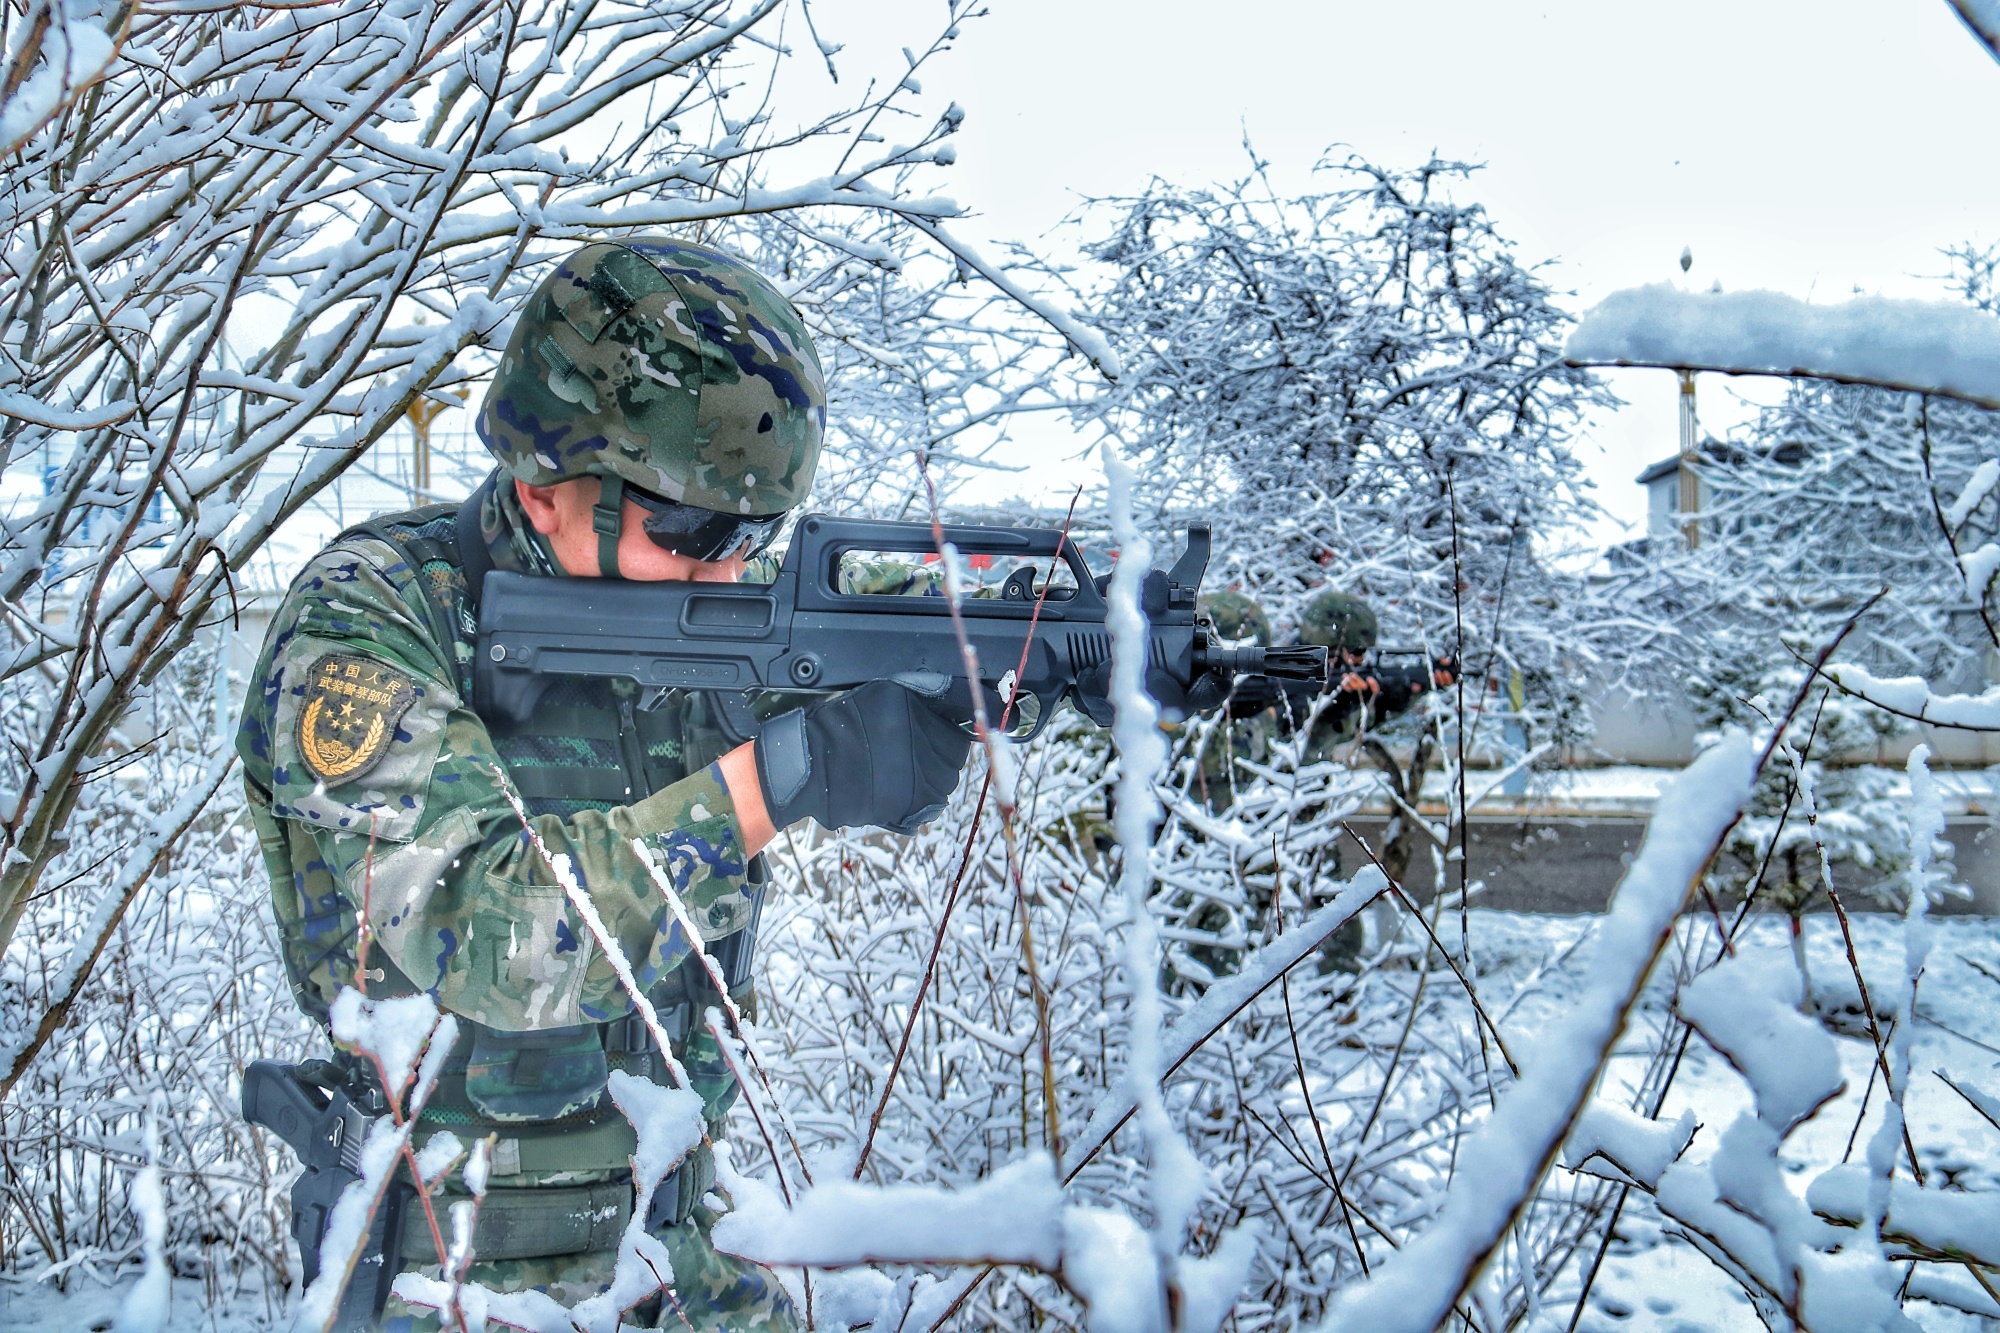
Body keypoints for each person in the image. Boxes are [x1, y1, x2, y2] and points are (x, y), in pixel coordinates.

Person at [236, 238, 977, 1330]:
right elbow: (497, 933)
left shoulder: (707, 596)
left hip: (675, 1251)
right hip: (448, 1279)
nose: (729, 570)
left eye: (752, 532)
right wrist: (785, 774)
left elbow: (938, 607)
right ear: (545, 485)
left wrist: (1013, 668)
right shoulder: (371, 623)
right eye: (690, 529)